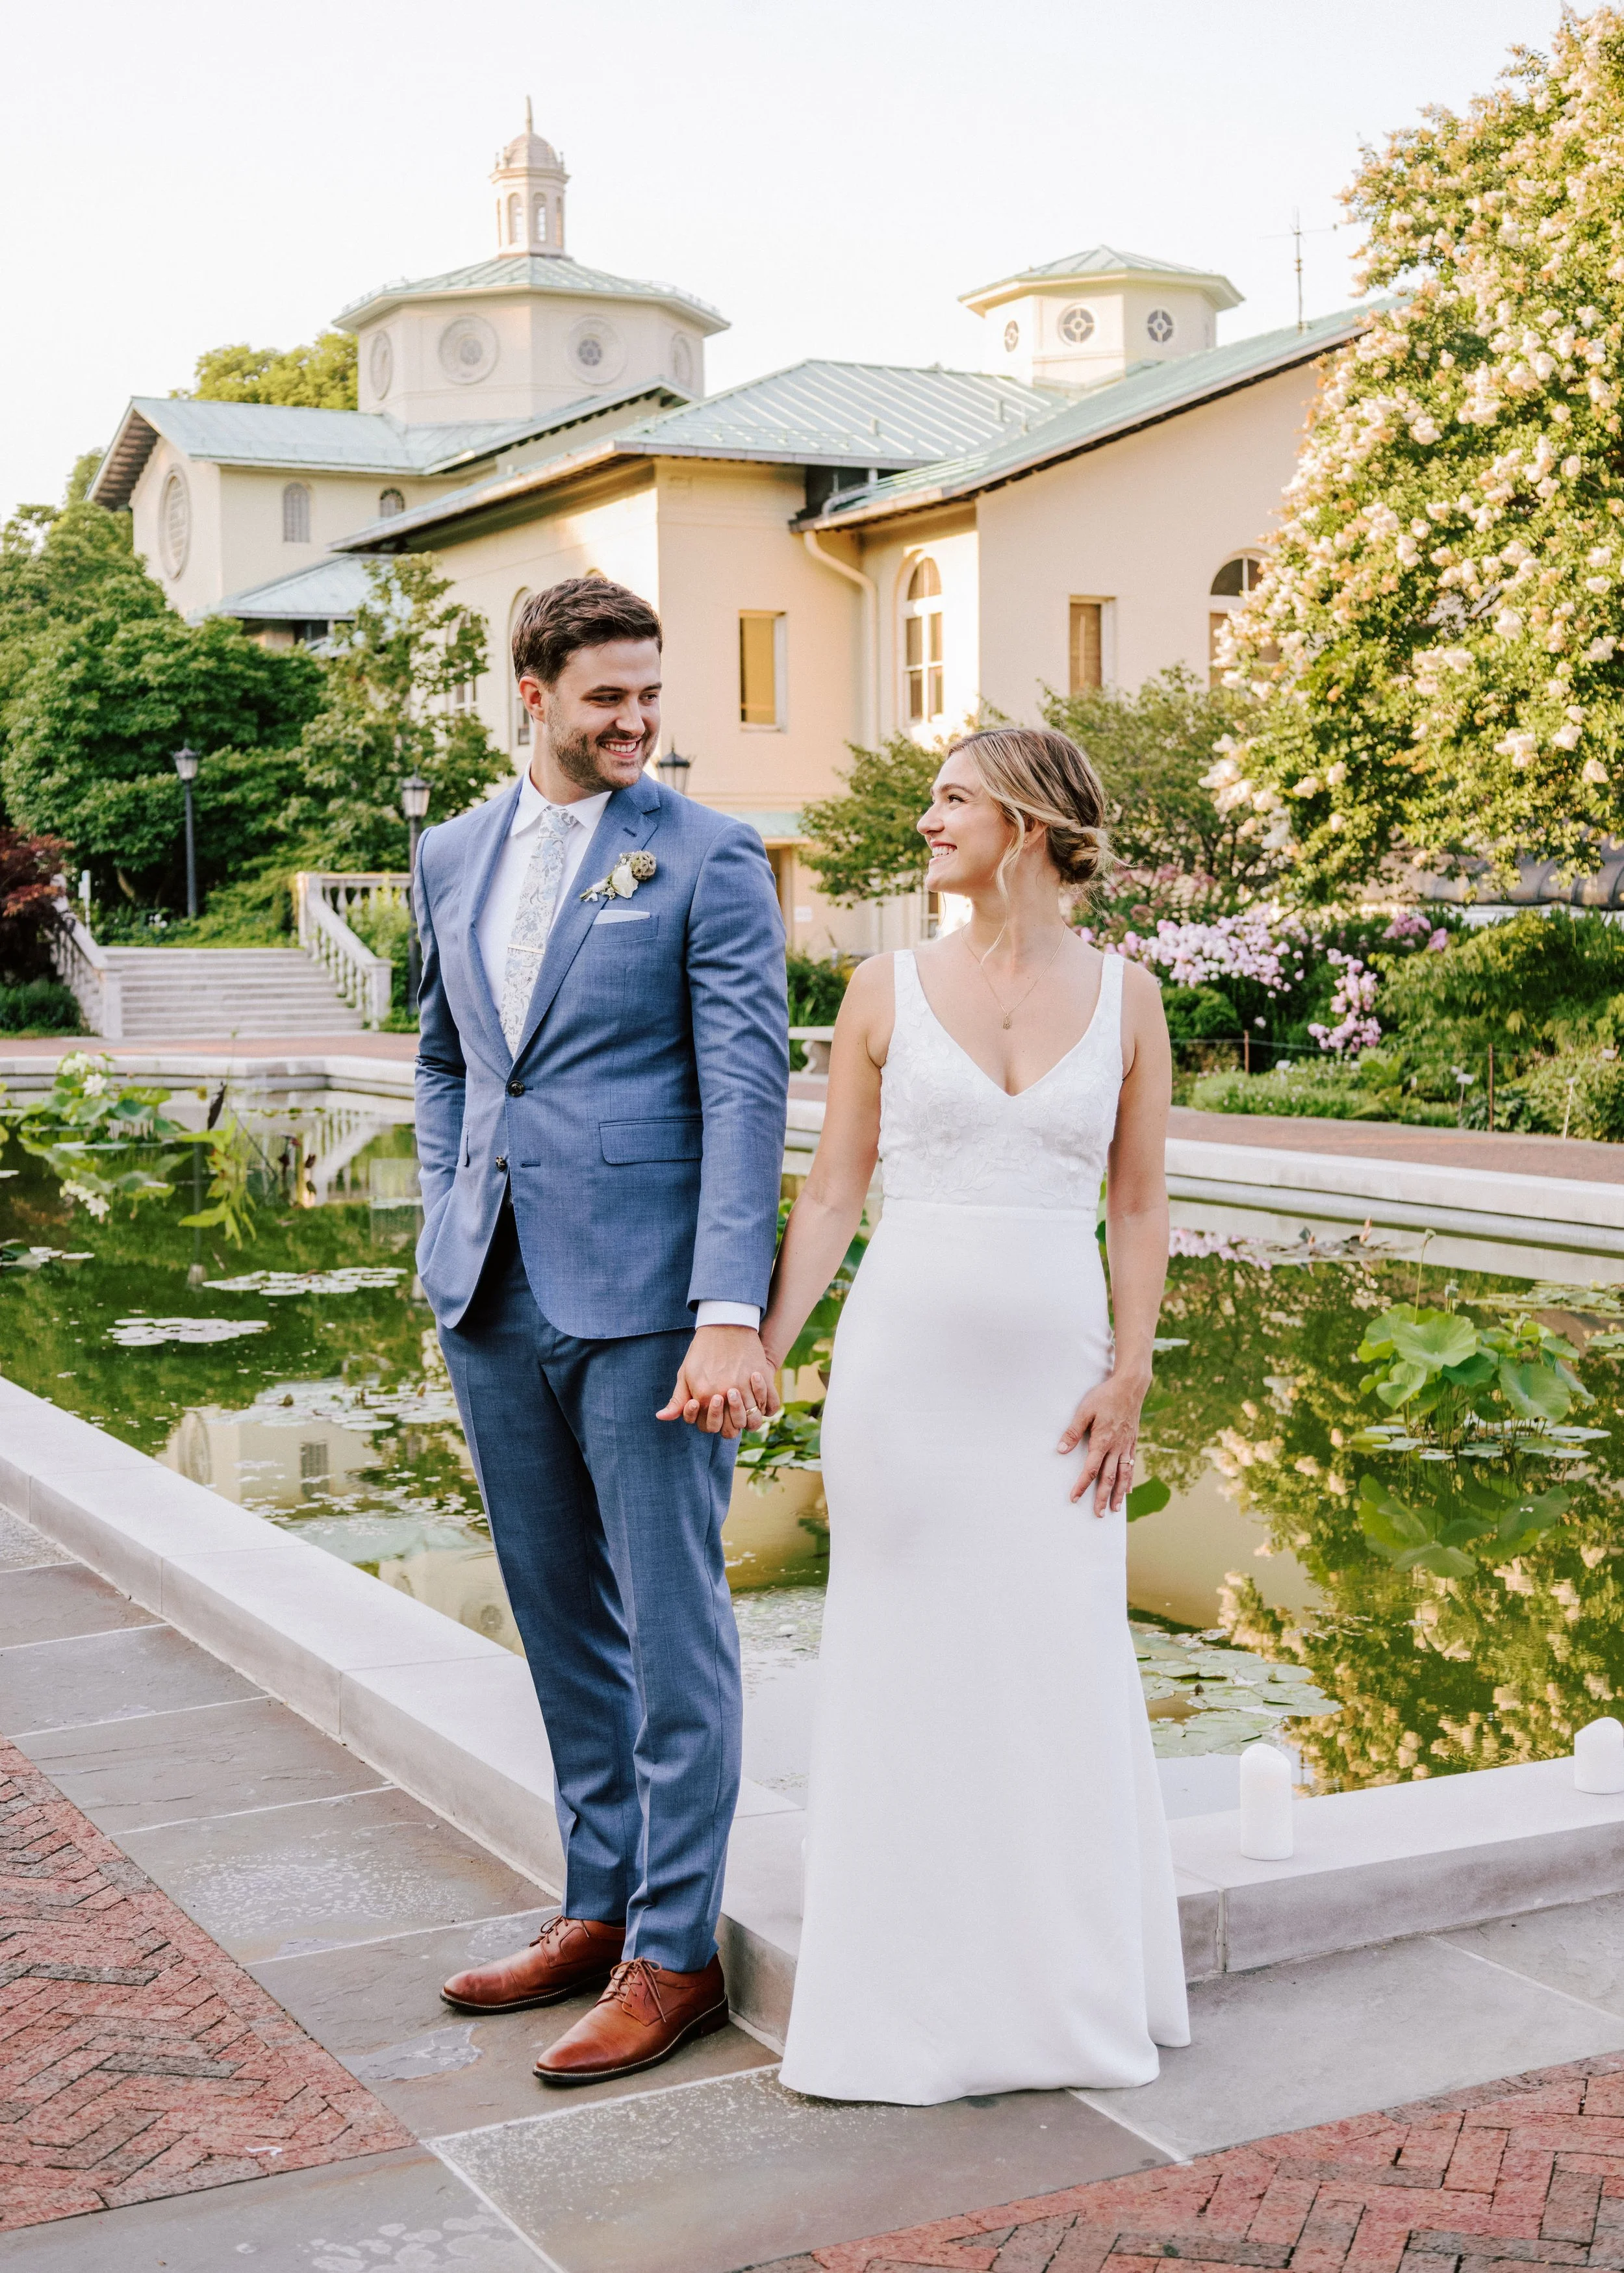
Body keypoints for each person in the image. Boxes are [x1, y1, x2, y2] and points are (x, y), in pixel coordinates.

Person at [769, 725, 1190, 2105]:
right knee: (907, 1673)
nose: (924, 820)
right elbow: (832, 1192)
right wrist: (763, 1348)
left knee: (1055, 1664)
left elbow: (1136, 1203)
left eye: (949, 799)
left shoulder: (1128, 998)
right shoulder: (878, 986)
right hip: (901, 1388)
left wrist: (1131, 1370)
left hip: (1061, 1393)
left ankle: (1060, 1995)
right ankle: (900, 2006)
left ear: (1022, 823)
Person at [414, 577, 788, 2087]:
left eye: (650, 693)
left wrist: (725, 1311)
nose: (636, 723)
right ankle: (598, 1902)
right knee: (557, 1613)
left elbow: (746, 1093)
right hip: (490, 1291)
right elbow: (446, 1059)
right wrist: (444, 1211)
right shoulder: (449, 851)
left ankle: (675, 1950)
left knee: (671, 1624)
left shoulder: (707, 857)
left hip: (649, 1304)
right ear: (532, 692)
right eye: (605, 699)